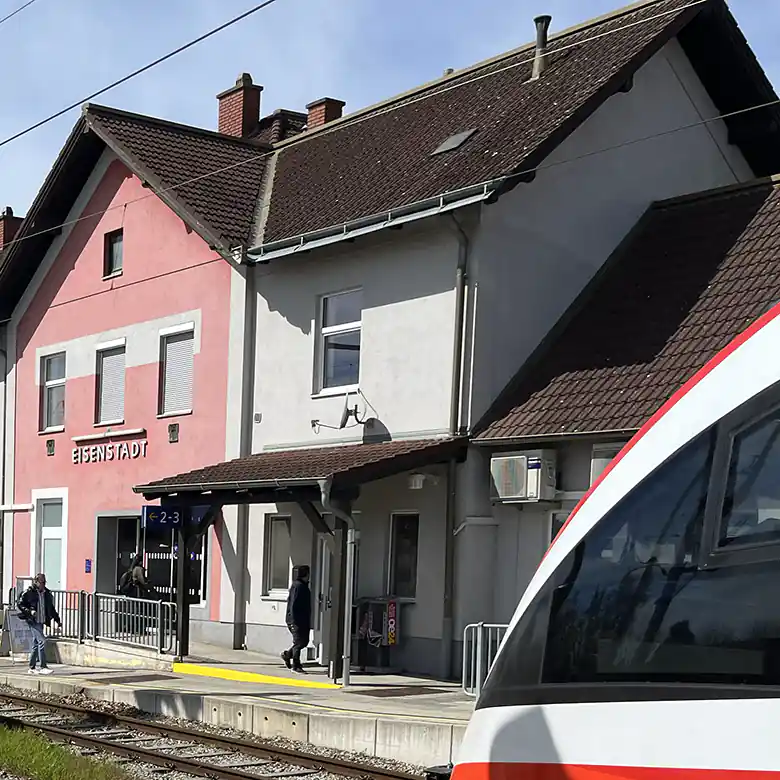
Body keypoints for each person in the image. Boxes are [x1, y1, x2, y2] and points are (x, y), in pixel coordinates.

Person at [17, 573, 61, 676]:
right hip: (32, 621)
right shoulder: (29, 592)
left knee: (36, 644)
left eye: (44, 582)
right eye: (41, 582)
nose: (43, 584)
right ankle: (43, 666)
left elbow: (51, 608)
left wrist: (57, 620)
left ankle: (31, 667)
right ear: (36, 582)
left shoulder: (46, 594)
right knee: (42, 641)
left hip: (41, 621)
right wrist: (29, 611)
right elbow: (20, 603)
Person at [281, 564, 311, 673]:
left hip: (303, 619)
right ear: (306, 574)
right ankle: (296, 665)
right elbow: (293, 604)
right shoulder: (298, 586)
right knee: (299, 642)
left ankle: (287, 655)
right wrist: (294, 620)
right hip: (296, 619)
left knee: (303, 642)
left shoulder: (303, 586)